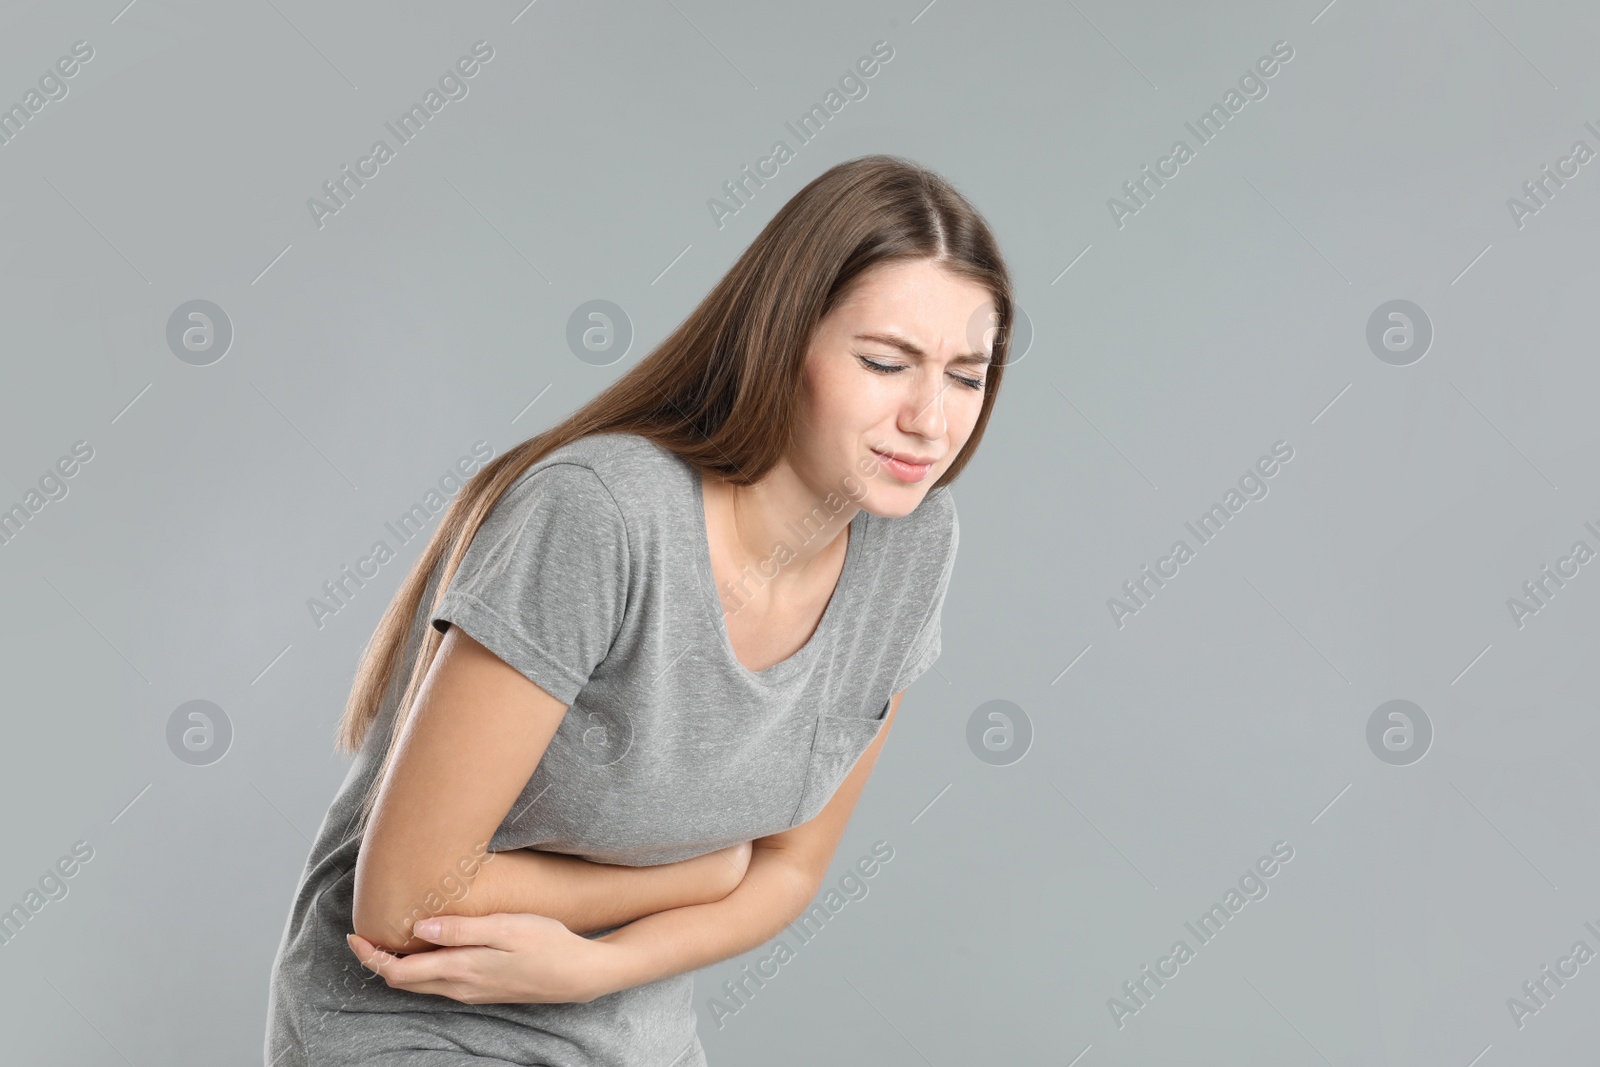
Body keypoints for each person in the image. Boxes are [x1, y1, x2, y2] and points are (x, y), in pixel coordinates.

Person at [263, 153, 1012, 1066]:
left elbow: (791, 869)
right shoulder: (601, 514)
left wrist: (593, 967)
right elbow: (405, 899)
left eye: (967, 376)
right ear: (783, 342)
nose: (930, 420)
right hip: (416, 1017)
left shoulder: (913, 542)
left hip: (626, 1029)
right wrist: (705, 870)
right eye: (886, 362)